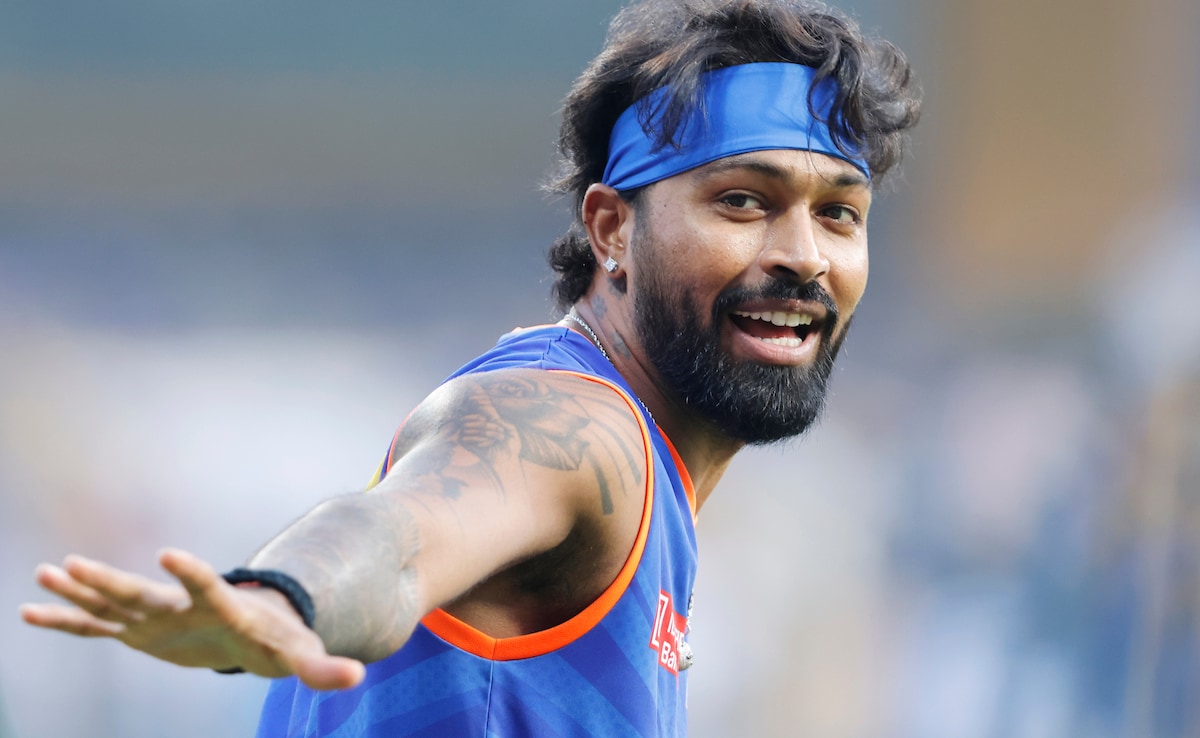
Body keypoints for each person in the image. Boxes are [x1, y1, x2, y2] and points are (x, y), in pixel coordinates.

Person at [19, 0, 920, 735]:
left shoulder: (652, 482)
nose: (805, 255)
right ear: (612, 229)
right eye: (744, 201)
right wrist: (287, 596)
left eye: (839, 214)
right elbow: (400, 536)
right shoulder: (578, 430)